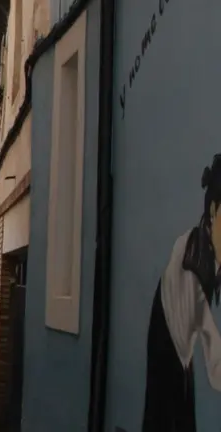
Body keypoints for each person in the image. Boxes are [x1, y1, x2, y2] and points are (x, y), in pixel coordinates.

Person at [143, 153, 221, 431]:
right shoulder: (192, 256)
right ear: (213, 211)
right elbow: (214, 357)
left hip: (178, 349)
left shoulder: (205, 248)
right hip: (169, 345)